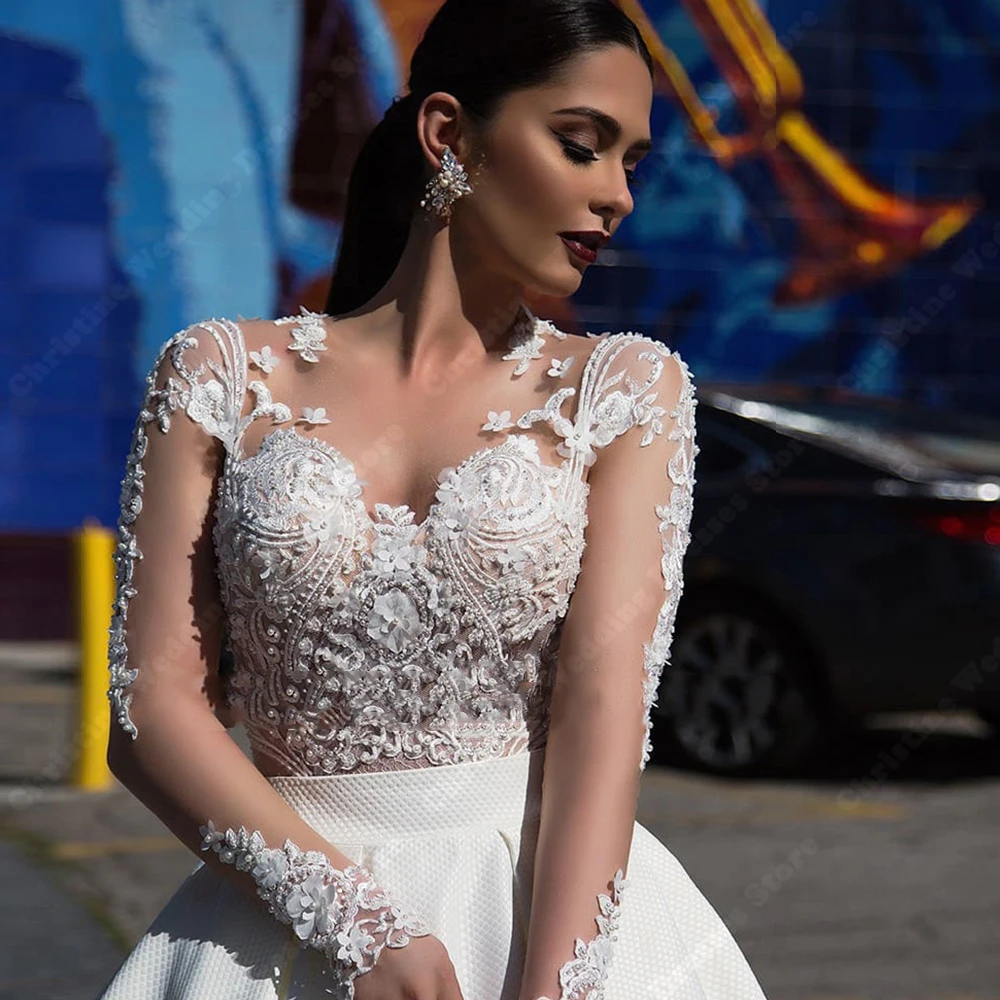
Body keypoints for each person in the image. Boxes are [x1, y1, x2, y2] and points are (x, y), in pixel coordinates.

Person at [96, 1, 770, 997]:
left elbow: (601, 708)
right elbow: (148, 705)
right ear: (447, 133)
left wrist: (552, 989)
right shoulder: (218, 374)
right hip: (279, 922)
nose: (617, 194)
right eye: (582, 145)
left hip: (544, 915)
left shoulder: (622, 392)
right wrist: (359, 928)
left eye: (630, 160)